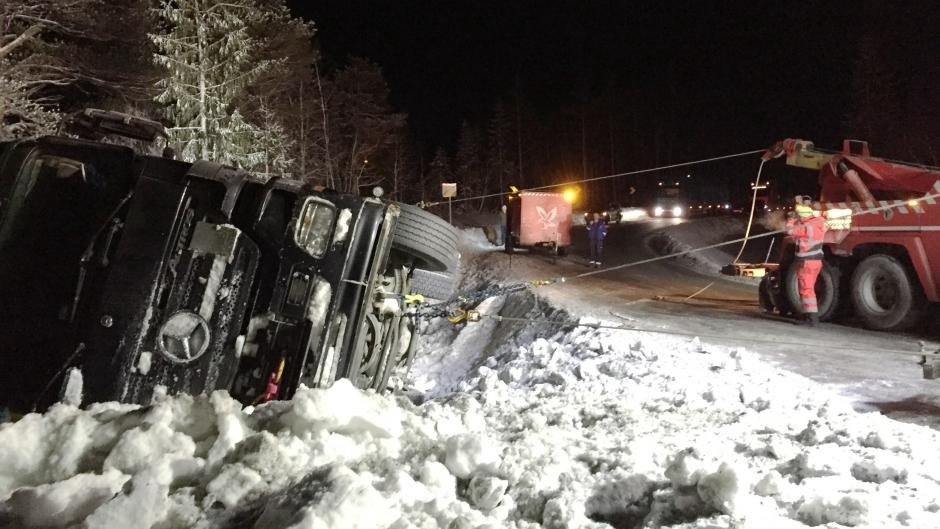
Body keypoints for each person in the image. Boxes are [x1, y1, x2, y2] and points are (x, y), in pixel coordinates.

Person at [786, 200, 828, 326]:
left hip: (806, 262)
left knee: (806, 290)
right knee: (809, 289)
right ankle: (808, 315)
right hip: (816, 262)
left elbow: (790, 231)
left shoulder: (805, 227)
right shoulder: (819, 223)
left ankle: (811, 319)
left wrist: (791, 220)